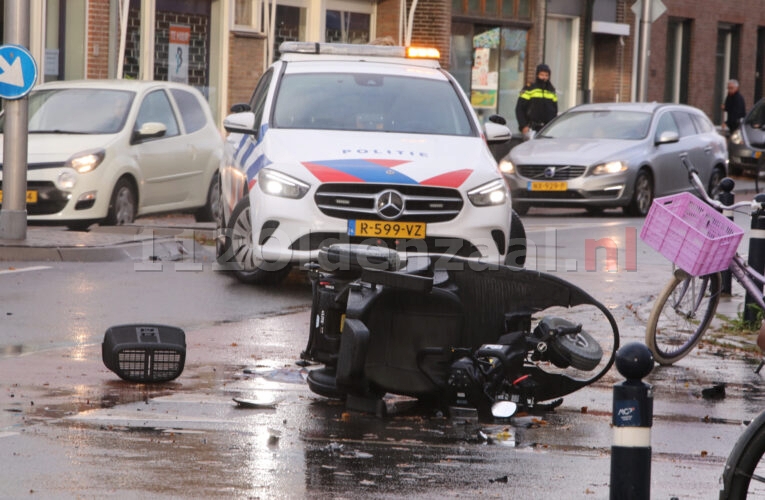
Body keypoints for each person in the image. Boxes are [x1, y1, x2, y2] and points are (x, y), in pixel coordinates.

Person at [515, 63, 558, 136]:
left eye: (546, 75)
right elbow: (519, 109)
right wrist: (523, 126)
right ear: (537, 75)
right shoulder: (529, 88)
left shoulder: (551, 90)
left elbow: (555, 110)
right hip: (531, 128)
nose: (544, 77)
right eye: (542, 75)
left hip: (547, 129)